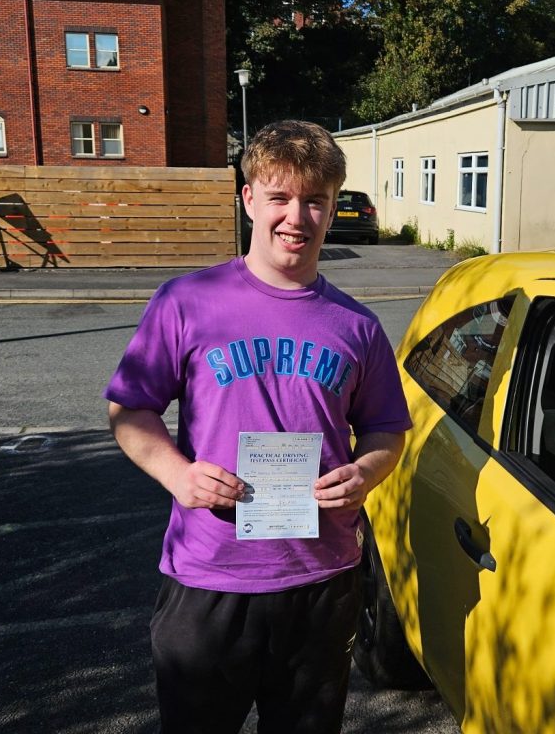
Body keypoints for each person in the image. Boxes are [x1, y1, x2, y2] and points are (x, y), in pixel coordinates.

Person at [104, 120, 411, 734]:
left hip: (322, 578)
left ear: (332, 209)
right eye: (279, 197)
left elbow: (387, 431)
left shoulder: (357, 326)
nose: (297, 217)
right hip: (211, 576)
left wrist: (365, 473)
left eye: (315, 200)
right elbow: (130, 409)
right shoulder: (186, 302)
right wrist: (178, 475)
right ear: (248, 200)